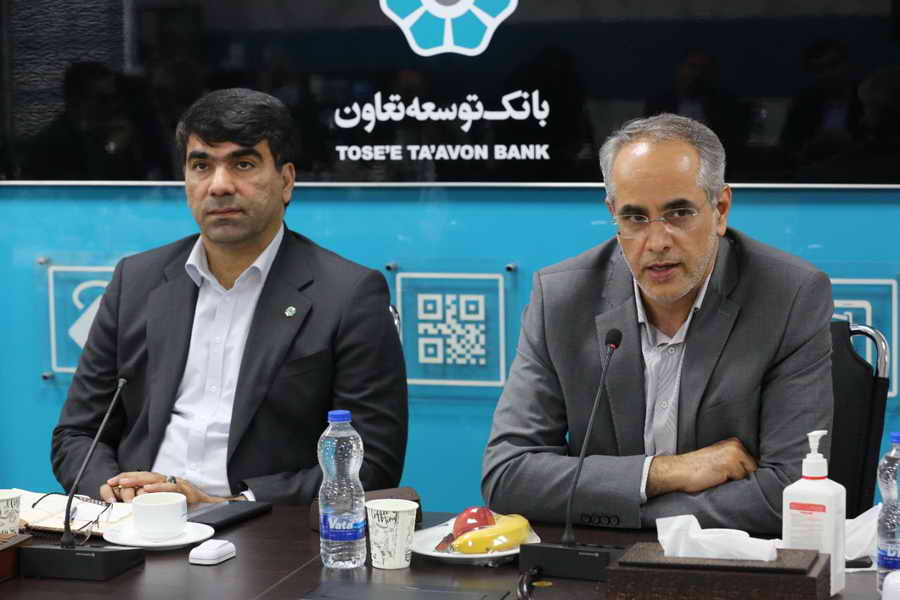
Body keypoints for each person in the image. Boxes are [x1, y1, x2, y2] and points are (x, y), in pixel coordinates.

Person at [51, 88, 408, 505]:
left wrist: (227, 508)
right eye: (201, 166)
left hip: (261, 530)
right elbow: (78, 433)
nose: (219, 186)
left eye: (243, 164)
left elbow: (372, 463)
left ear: (286, 181)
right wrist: (114, 491)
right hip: (136, 521)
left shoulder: (348, 294)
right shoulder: (137, 280)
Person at [482, 113, 833, 535]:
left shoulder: (788, 297)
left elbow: (790, 493)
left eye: (679, 213)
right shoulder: (561, 300)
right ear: (613, 214)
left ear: (720, 210)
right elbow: (508, 475)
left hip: (730, 563)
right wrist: (662, 473)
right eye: (635, 218)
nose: (658, 241)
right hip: (596, 565)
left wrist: (629, 511)